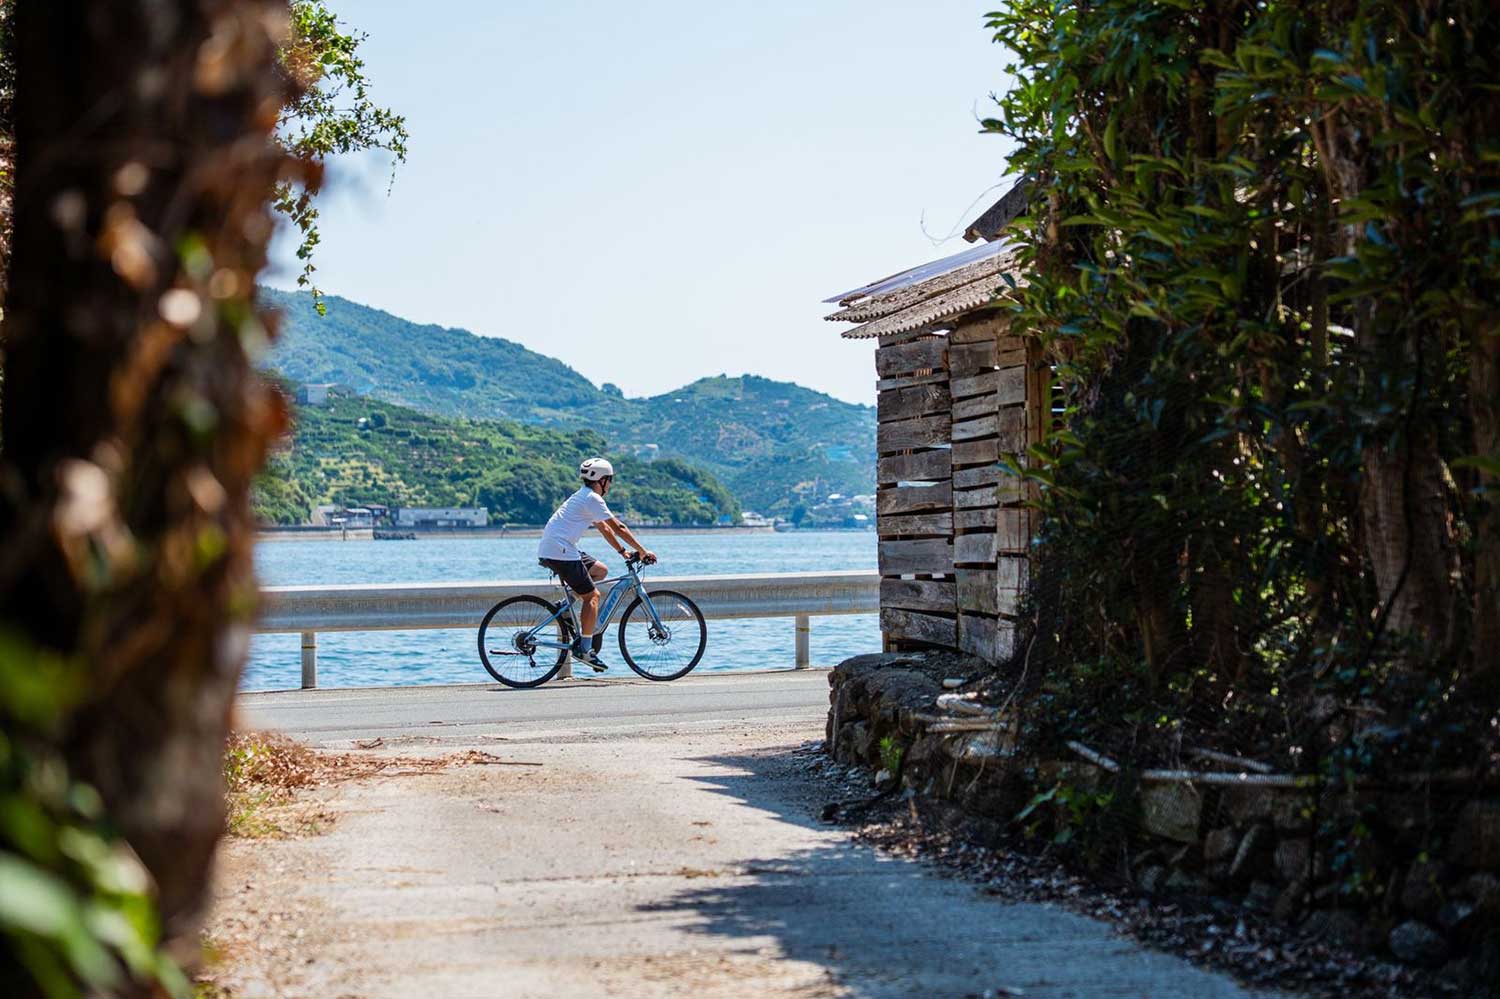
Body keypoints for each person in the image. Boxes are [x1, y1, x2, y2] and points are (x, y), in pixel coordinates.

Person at [537, 457, 656, 670]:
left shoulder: (583, 497)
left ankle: (565, 609)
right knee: (592, 596)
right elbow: (618, 527)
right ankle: (585, 649)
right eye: (609, 480)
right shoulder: (592, 499)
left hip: (558, 548)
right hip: (560, 551)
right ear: (602, 481)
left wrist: (623, 552)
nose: (610, 485)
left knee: (600, 571)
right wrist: (642, 551)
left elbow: (605, 529)